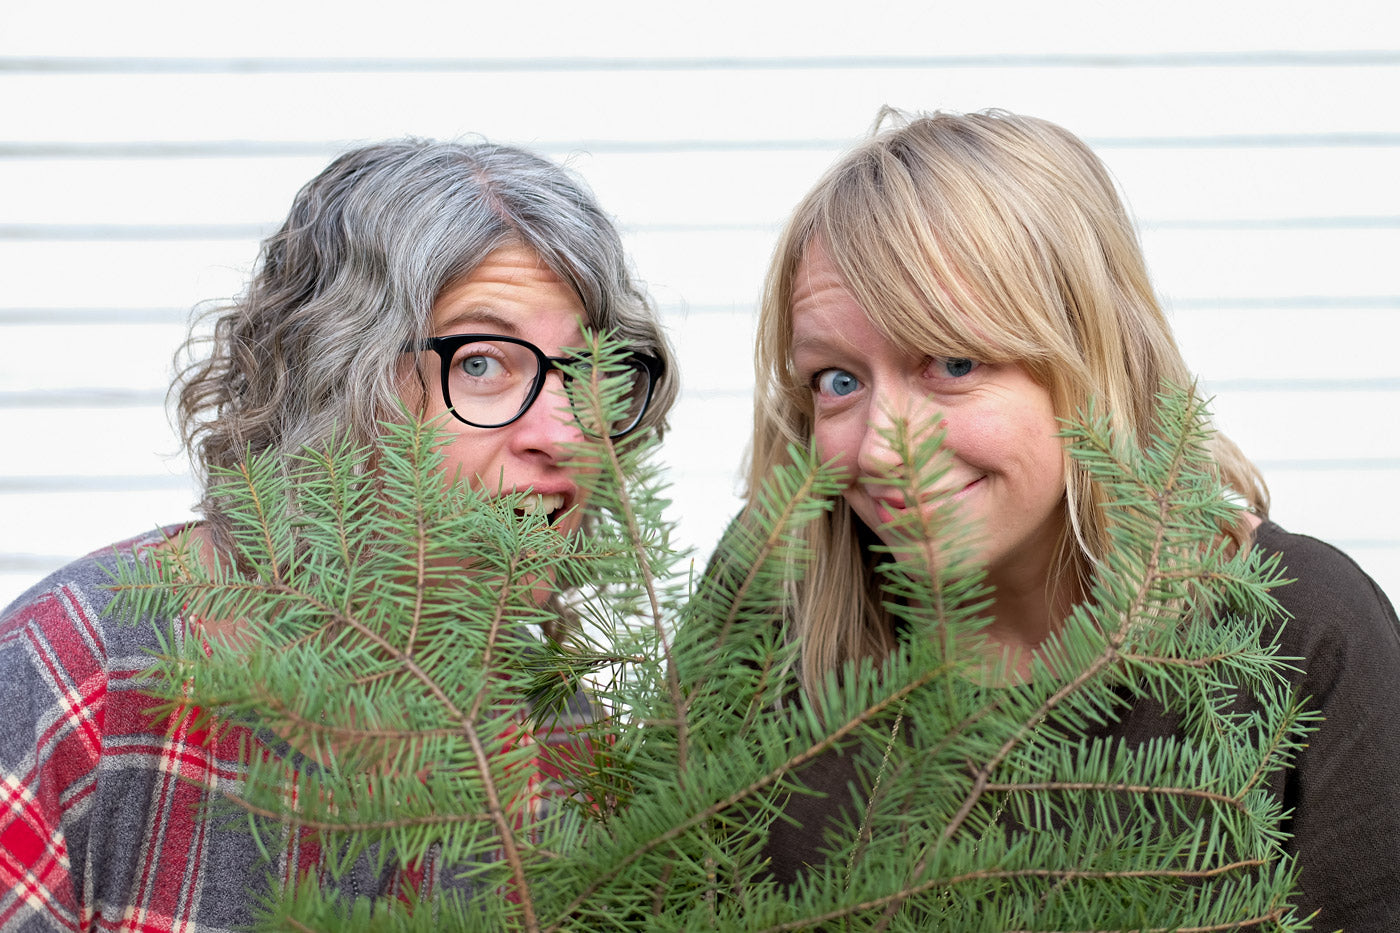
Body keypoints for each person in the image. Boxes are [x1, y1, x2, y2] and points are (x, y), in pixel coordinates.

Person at [743, 109, 1400, 930]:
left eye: (953, 362)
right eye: (838, 379)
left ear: (1092, 359)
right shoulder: (768, 634)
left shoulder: (1305, 636)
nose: (881, 448)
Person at [0, 139, 676, 931]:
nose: (564, 431)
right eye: (485, 362)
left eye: (595, 370)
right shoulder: (74, 688)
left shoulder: (564, 755)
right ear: (334, 376)